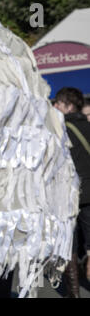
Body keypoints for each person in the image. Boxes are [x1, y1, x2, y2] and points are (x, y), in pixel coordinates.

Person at [54, 87, 90, 297]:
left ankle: (74, 292)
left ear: (67, 106)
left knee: (70, 244)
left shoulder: (60, 130)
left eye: (58, 104)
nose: (55, 108)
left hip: (70, 195)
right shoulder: (87, 125)